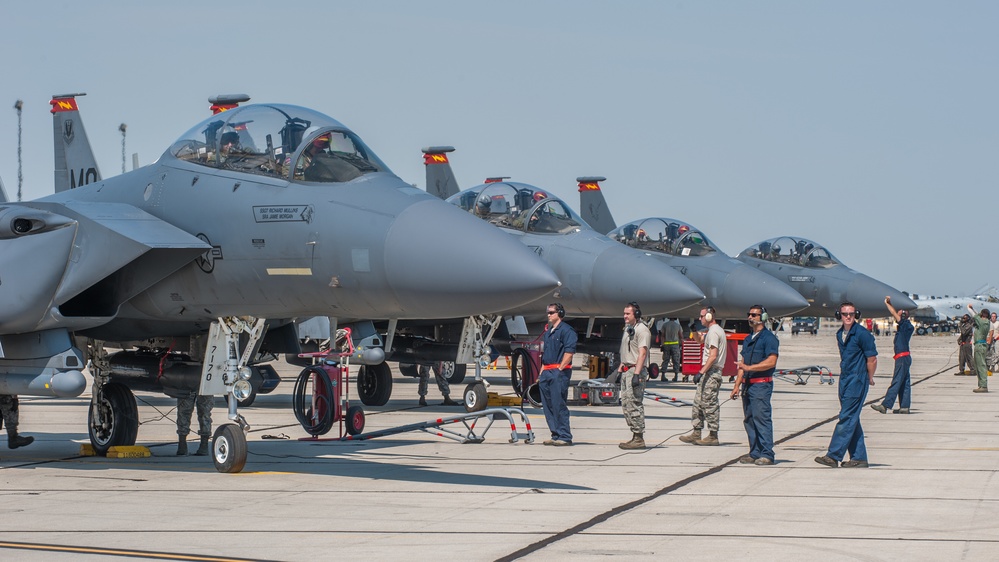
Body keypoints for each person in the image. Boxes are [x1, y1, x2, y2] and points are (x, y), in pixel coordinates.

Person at [815, 302, 877, 468]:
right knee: (852, 418)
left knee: (847, 417)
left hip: (857, 379)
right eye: (844, 314)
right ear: (839, 315)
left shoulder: (863, 334)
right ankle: (859, 458)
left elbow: (872, 359)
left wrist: (869, 377)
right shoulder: (839, 334)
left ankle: (833, 455)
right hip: (845, 379)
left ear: (856, 315)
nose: (848, 317)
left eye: (851, 314)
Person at [731, 305, 779, 465]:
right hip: (747, 386)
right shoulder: (747, 339)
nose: (750, 317)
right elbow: (742, 364)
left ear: (763, 318)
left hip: (761, 386)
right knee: (749, 419)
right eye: (749, 314)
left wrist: (749, 368)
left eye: (754, 315)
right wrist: (736, 386)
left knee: (762, 419)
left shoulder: (769, 338)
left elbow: (771, 361)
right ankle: (755, 452)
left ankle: (767, 453)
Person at [680, 306, 726, 446]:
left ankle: (713, 435)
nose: (700, 319)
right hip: (708, 371)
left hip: (711, 371)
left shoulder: (714, 332)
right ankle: (696, 432)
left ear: (709, 317)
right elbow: (699, 341)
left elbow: (713, 356)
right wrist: (694, 331)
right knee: (699, 403)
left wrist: (701, 372)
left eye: (701, 316)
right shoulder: (711, 331)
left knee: (709, 403)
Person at [539, 303, 577, 446]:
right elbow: (546, 354)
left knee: (558, 404)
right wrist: (541, 373)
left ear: (559, 313)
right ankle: (555, 434)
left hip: (557, 373)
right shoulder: (549, 332)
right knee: (548, 405)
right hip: (546, 371)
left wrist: (559, 370)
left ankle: (565, 435)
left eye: (551, 312)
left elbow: (569, 352)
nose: (548, 315)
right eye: (548, 312)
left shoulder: (567, 331)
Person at [871, 297, 914, 414]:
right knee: (905, 382)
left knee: (896, 381)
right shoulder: (905, 327)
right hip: (904, 358)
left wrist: (888, 303)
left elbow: (894, 313)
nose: (898, 312)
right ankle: (905, 407)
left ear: (904, 314)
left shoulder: (905, 324)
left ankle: (885, 405)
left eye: (901, 311)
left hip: (902, 358)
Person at [618, 302, 651, 450]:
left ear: (636, 314)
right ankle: (634, 434)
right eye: (624, 313)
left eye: (628, 314)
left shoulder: (642, 330)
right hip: (627, 369)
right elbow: (627, 350)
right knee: (626, 403)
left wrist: (637, 374)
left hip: (635, 370)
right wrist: (621, 367)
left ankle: (639, 437)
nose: (625, 316)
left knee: (634, 402)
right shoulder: (628, 329)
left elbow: (642, 353)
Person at [176, 391, 213, 456]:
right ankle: (203, 446)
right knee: (204, 413)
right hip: (204, 383)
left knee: (184, 412)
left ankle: (182, 445)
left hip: (191, 384)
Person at [968, 304, 991, 393]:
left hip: (980, 346)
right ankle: (981, 385)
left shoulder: (983, 322)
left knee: (981, 365)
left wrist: (970, 307)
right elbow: (977, 316)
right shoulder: (985, 322)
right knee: (978, 366)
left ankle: (983, 385)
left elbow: (974, 315)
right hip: (979, 345)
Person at [659, 318, 682, 382]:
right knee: (676, 360)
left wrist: (662, 344)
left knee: (665, 360)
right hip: (675, 345)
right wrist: (681, 343)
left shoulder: (665, 325)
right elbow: (681, 336)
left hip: (666, 345)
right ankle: (676, 376)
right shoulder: (678, 326)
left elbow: (662, 336)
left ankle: (663, 375)